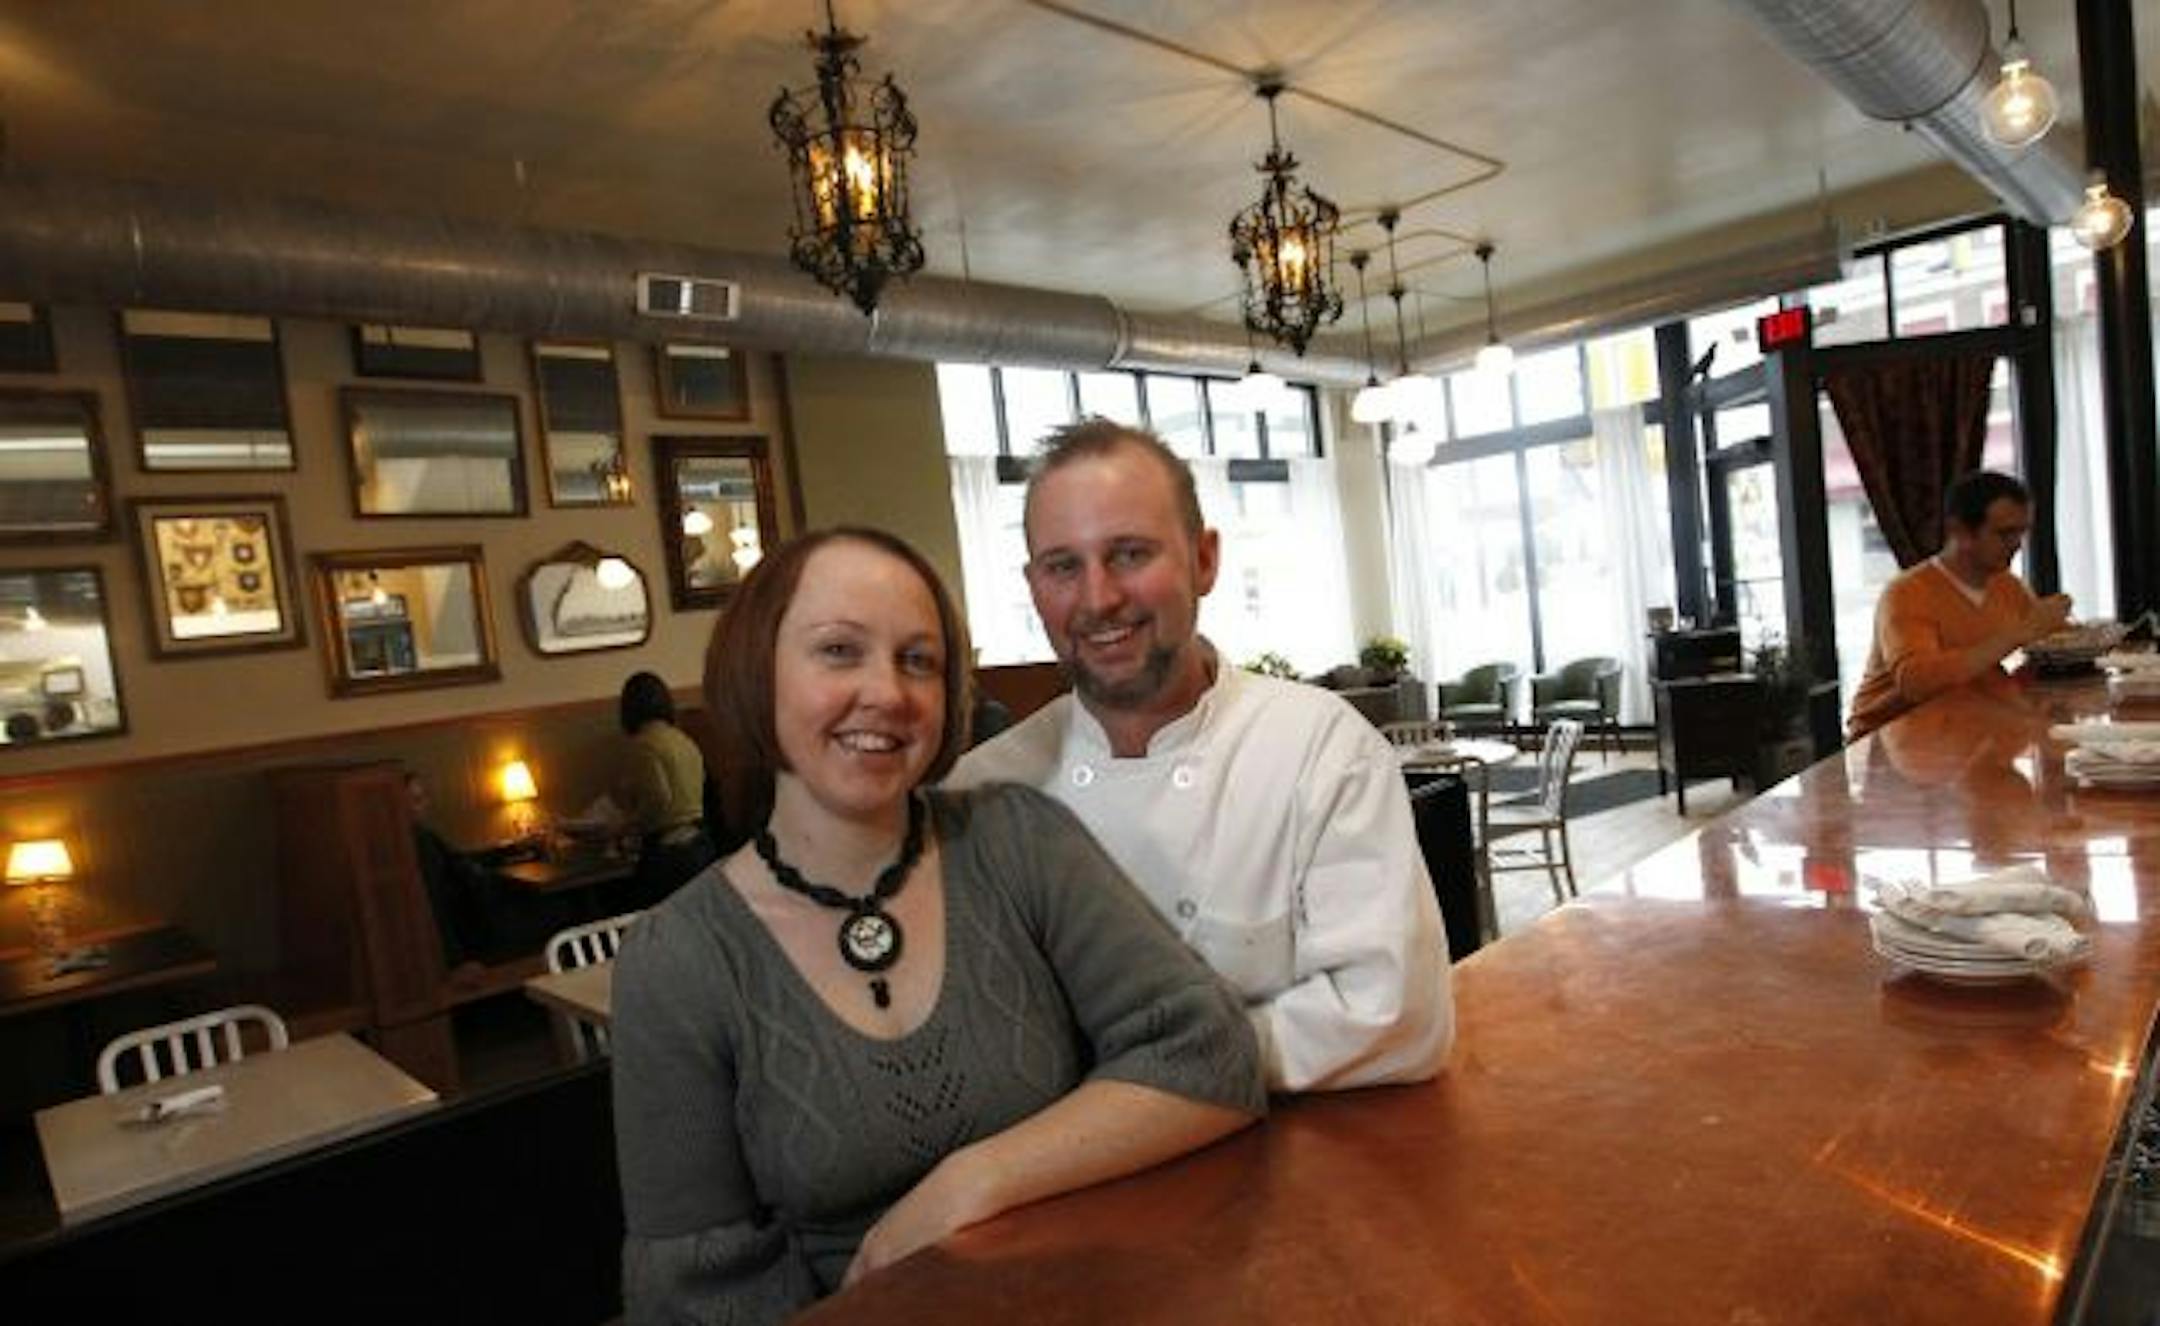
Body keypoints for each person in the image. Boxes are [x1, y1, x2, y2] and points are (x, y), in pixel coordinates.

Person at [611, 527, 1264, 1325]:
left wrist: (972, 1183)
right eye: (840, 651)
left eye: (918, 660)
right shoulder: (677, 960)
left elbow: (1209, 1051)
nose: (888, 691)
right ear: (760, 671)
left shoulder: (1018, 840)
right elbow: (693, 1292)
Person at [950, 418, 1454, 1093]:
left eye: (1130, 553)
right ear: (1034, 583)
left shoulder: (1320, 749)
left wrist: (1140, 1081)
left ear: (1205, 560)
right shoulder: (981, 793)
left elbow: (1394, 1018)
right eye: (1063, 566)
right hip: (1068, 1181)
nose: (1098, 598)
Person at [1846, 470, 2073, 739]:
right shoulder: (1907, 593)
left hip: (1966, 730)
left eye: (2021, 533)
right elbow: (1916, 682)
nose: (2016, 545)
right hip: (1892, 741)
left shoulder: (2006, 585)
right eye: (2004, 534)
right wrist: (2019, 633)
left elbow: (2047, 641)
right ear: (1960, 531)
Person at [613, 670, 716, 907]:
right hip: (701, 844)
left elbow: (658, 797)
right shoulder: (683, 740)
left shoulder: (643, 746)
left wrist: (627, 826)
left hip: (670, 852)